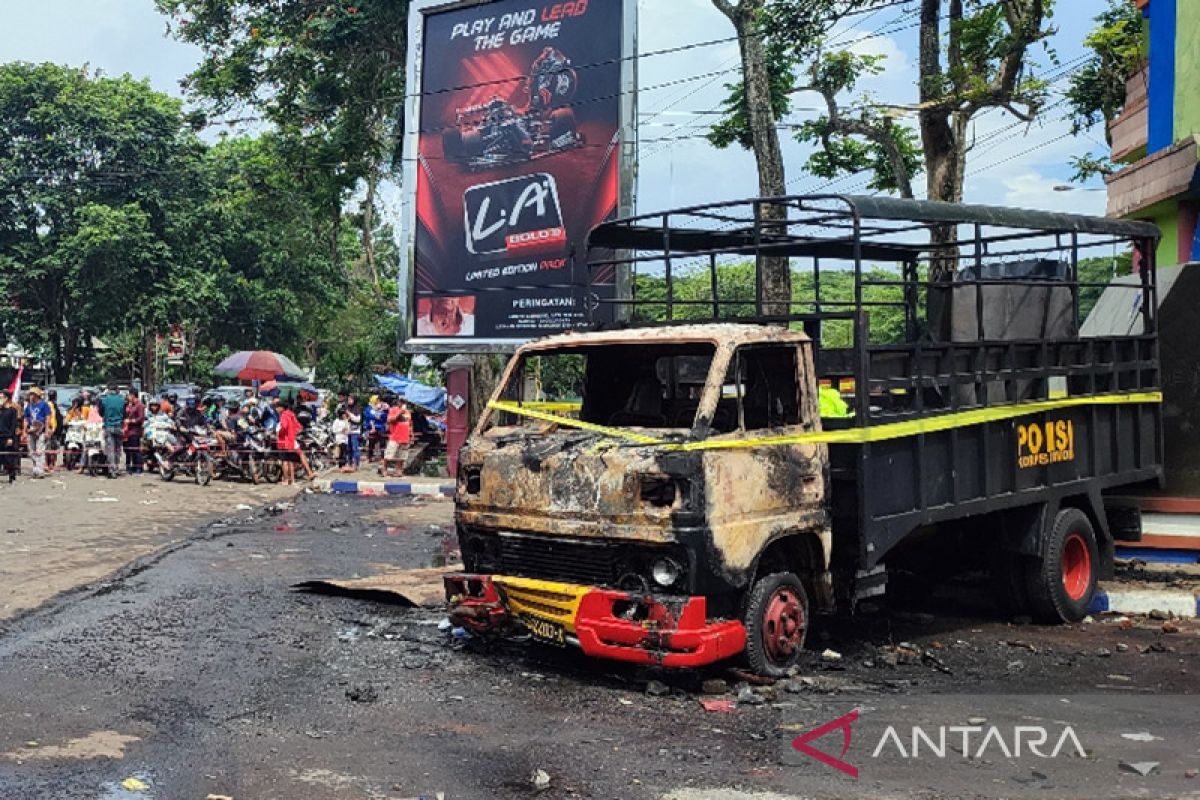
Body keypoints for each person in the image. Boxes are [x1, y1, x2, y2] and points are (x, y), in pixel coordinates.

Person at [275, 398, 314, 485]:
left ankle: (286, 480)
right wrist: (293, 433)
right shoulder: (291, 414)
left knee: (285, 461)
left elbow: (284, 427)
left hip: (284, 441)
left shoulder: (283, 415)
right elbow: (298, 426)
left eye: (277, 407)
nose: (276, 409)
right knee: (292, 460)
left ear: (281, 407)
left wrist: (279, 434)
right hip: (292, 440)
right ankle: (294, 479)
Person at [98, 385, 126, 478]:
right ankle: (116, 467)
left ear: (108, 390)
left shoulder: (104, 400)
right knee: (118, 449)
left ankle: (112, 470)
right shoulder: (122, 400)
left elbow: (101, 413)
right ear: (117, 390)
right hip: (119, 427)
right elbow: (125, 414)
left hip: (108, 427)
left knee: (110, 450)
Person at [23, 386, 51, 479]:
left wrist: (47, 430)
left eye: (32, 394)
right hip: (31, 430)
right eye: (30, 394)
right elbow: (26, 419)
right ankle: (35, 468)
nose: (31, 396)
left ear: (37, 395)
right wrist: (24, 431)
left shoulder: (44, 405)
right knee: (31, 452)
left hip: (41, 429)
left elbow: (47, 418)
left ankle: (40, 470)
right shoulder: (28, 406)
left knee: (39, 451)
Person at [381, 401, 412, 478]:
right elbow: (389, 420)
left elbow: (410, 423)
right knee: (389, 454)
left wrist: (411, 434)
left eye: (404, 401)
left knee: (402, 456)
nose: (403, 403)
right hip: (395, 436)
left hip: (405, 436)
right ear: (398, 402)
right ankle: (384, 469)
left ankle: (399, 470)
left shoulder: (408, 412)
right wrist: (400, 412)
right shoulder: (393, 410)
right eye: (401, 401)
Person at [123, 388, 145, 475]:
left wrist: (131, 421)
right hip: (128, 431)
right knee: (129, 450)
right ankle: (132, 467)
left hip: (135, 431)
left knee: (136, 450)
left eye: (129, 395)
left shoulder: (140, 405)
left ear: (132, 395)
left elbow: (141, 418)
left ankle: (139, 468)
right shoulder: (130, 405)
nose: (128, 397)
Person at [0, 389, 18, 484]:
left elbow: (13, 425)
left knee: (8, 457)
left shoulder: (12, 410)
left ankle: (12, 476)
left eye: (1, 397)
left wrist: (10, 437)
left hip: (7, 436)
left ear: (7, 398)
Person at [344, 393, 363, 471]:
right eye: (348, 400)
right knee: (349, 449)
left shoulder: (357, 408)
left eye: (351, 399)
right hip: (349, 431)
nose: (349, 401)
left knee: (355, 448)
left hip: (355, 431)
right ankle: (349, 463)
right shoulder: (347, 407)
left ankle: (356, 464)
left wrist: (350, 414)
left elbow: (357, 419)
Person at [45, 389, 62, 471]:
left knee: (53, 447)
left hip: (55, 429)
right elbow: (50, 418)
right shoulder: (49, 405)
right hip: (51, 429)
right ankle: (49, 464)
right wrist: (50, 428)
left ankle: (52, 464)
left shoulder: (54, 405)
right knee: (49, 448)